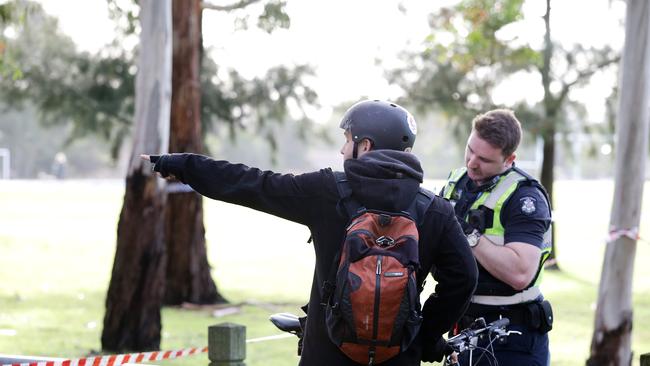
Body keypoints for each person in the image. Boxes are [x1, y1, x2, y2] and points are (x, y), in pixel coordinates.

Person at [143, 99, 477, 365]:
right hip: (398, 356)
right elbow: (463, 278)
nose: (343, 150)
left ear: (367, 145)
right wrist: (421, 333)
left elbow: (251, 183)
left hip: (326, 352)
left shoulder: (327, 191)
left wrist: (181, 164)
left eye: (347, 141)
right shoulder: (434, 210)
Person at [440, 109, 553, 365]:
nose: (471, 163)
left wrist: (468, 233)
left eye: (484, 159)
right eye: (470, 150)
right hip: (463, 327)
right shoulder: (456, 181)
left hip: (512, 335)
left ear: (509, 159)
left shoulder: (526, 198)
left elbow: (520, 274)